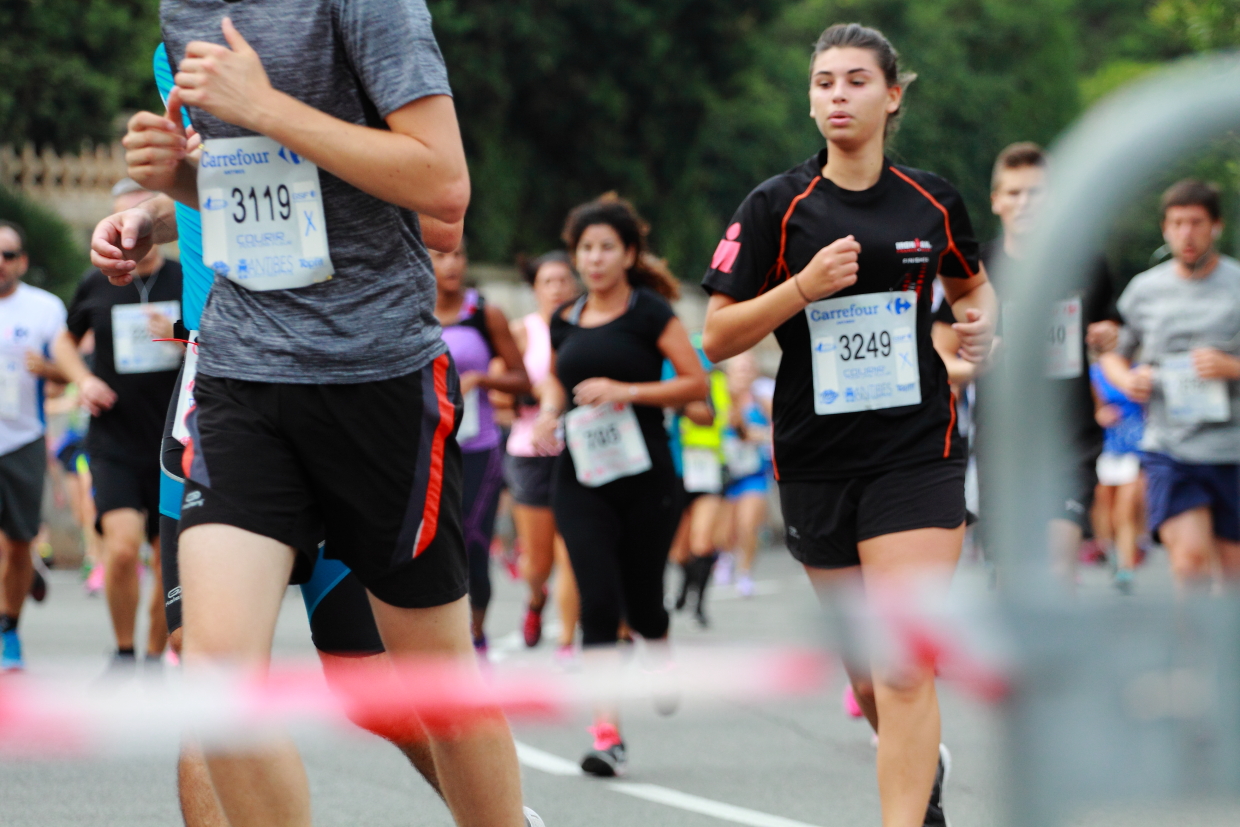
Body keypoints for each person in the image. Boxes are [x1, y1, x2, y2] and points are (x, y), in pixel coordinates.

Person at [94, 7, 538, 826]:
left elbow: (444, 189)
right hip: (236, 373)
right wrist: (173, 188)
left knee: (430, 692)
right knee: (215, 683)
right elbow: (256, 188)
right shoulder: (184, 11)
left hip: (377, 378)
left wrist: (263, 106)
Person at [699, 24, 996, 827]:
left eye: (856, 80)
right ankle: (917, 758)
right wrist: (800, 286)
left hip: (917, 450)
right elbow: (717, 334)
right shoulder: (777, 205)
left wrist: (980, 325)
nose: (837, 94)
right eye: (824, 81)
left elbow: (972, 286)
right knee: (870, 678)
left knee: (903, 667)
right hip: (817, 457)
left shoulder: (931, 199)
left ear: (892, 96)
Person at [532, 194, 708, 776]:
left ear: (629, 254)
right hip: (580, 478)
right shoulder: (564, 320)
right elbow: (559, 382)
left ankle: (657, 647)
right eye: (587, 247)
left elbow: (694, 388)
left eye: (608, 246)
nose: (596, 257)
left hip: (646, 477)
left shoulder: (651, 314)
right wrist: (546, 415)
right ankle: (606, 731)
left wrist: (626, 391)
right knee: (598, 602)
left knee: (643, 599)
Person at [53, 181, 182, 672]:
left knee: (168, 562)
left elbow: (217, 338)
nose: (126, 234)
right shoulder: (94, 283)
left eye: (136, 221)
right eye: (117, 223)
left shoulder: (185, 276)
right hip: (114, 439)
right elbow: (66, 342)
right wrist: (82, 380)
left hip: (172, 439)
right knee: (123, 551)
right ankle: (125, 653)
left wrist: (178, 337)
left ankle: (153, 656)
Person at [1100, 179, 1240, 593]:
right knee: (1190, 561)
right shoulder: (1145, 290)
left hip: (1231, 448)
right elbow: (1111, 353)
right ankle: (1195, 657)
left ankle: (1225, 657)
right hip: (1171, 447)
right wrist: (1129, 380)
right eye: (1177, 224)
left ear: (1216, 226)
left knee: (1232, 578)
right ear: (1165, 228)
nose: (1186, 234)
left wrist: (1230, 367)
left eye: (1196, 223)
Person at [431, 240, 530, 653]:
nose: (452, 264)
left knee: (472, 545)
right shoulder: (409, 311)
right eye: (440, 255)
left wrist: (481, 380)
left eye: (459, 255)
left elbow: (523, 380)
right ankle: (439, 645)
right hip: (425, 449)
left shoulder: (483, 313)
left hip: (477, 448)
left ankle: (476, 640)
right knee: (430, 550)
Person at [0, 220, 69, 671]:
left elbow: (70, 373)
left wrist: (48, 367)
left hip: (21, 438)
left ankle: (9, 630)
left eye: (8, 255)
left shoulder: (45, 308)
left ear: (22, 261)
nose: (0, 263)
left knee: (20, 542)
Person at [505, 251, 580, 653]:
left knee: (573, 553)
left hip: (579, 450)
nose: (556, 289)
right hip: (530, 453)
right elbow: (500, 394)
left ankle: (568, 641)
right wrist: (528, 405)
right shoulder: (522, 331)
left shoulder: (586, 328)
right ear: (534, 289)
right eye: (547, 282)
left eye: (563, 281)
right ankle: (536, 598)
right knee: (538, 564)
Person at [672, 339, 730, 627]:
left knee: (702, 541)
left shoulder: (715, 380)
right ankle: (685, 585)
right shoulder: (668, 376)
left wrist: (675, 401)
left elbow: (710, 416)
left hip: (706, 466)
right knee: (678, 550)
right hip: (676, 467)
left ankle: (700, 605)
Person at [720, 350, 772, 598]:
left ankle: (745, 572)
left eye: (747, 368)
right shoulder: (719, 397)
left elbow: (776, 432)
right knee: (726, 531)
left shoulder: (761, 399)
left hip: (754, 472)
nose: (743, 373)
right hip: (726, 473)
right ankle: (726, 556)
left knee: (748, 525)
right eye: (738, 368)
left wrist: (755, 436)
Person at [1090, 361, 1145, 592]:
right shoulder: (1095, 372)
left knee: (1126, 509)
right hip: (1105, 446)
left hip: (1135, 445)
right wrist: (1100, 414)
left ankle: (1126, 566)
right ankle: (1109, 549)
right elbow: (1091, 408)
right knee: (1105, 507)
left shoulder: (1141, 368)